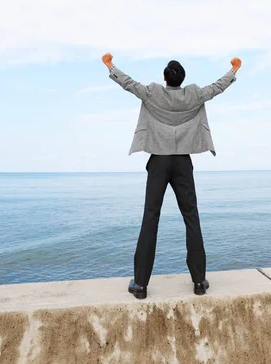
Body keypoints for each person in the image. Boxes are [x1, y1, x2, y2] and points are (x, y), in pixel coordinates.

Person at [101, 53, 241, 299]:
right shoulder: (194, 94)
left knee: (150, 218)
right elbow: (217, 87)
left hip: (159, 161)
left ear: (165, 78)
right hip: (183, 163)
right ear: (182, 80)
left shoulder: (153, 92)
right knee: (191, 218)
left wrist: (110, 65)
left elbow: (129, 84)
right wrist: (234, 70)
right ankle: (199, 281)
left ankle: (141, 285)